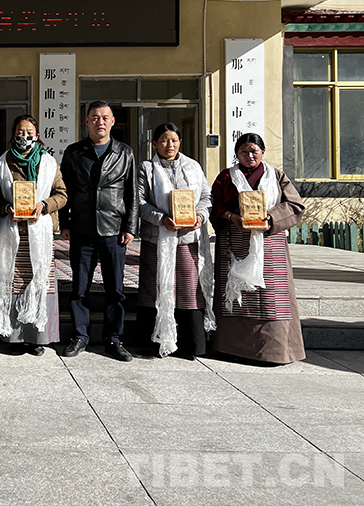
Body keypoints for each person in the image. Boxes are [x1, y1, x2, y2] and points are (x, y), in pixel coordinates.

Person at [210, 133, 306, 364]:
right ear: (237, 154)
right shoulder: (226, 177)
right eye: (243, 151)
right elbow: (214, 204)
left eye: (254, 151)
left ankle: (273, 351)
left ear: (263, 152)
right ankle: (231, 348)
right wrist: (230, 216)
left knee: (272, 297)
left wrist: (270, 218)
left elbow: (295, 205)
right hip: (235, 240)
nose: (249, 155)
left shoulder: (277, 176)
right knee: (236, 295)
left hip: (269, 243)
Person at [59, 100, 138, 362]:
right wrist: (65, 222)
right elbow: (65, 190)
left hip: (114, 230)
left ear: (112, 121)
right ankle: (80, 336)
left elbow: (131, 193)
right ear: (86, 121)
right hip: (82, 229)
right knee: (79, 287)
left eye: (105, 117)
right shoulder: (74, 152)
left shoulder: (125, 153)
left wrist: (130, 227)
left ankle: (114, 339)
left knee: (115, 289)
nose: (100, 122)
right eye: (95, 117)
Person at [0, 115, 67, 355]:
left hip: (39, 233)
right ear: (13, 134)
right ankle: (13, 338)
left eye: (29, 133)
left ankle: (36, 338)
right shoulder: (3, 161)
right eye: (20, 132)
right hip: (12, 233)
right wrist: (6, 208)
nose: (24, 137)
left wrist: (43, 205)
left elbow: (62, 195)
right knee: (12, 284)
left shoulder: (49, 162)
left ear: (38, 135)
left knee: (40, 283)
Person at [136, 123, 214, 360]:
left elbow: (206, 196)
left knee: (189, 288)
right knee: (154, 287)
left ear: (180, 142)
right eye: (163, 140)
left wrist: (200, 216)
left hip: (189, 238)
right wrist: (161, 219)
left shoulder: (193, 166)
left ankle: (191, 345)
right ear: (154, 144)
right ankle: (154, 342)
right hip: (156, 238)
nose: (169, 145)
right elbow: (139, 202)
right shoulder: (146, 168)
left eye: (174, 140)